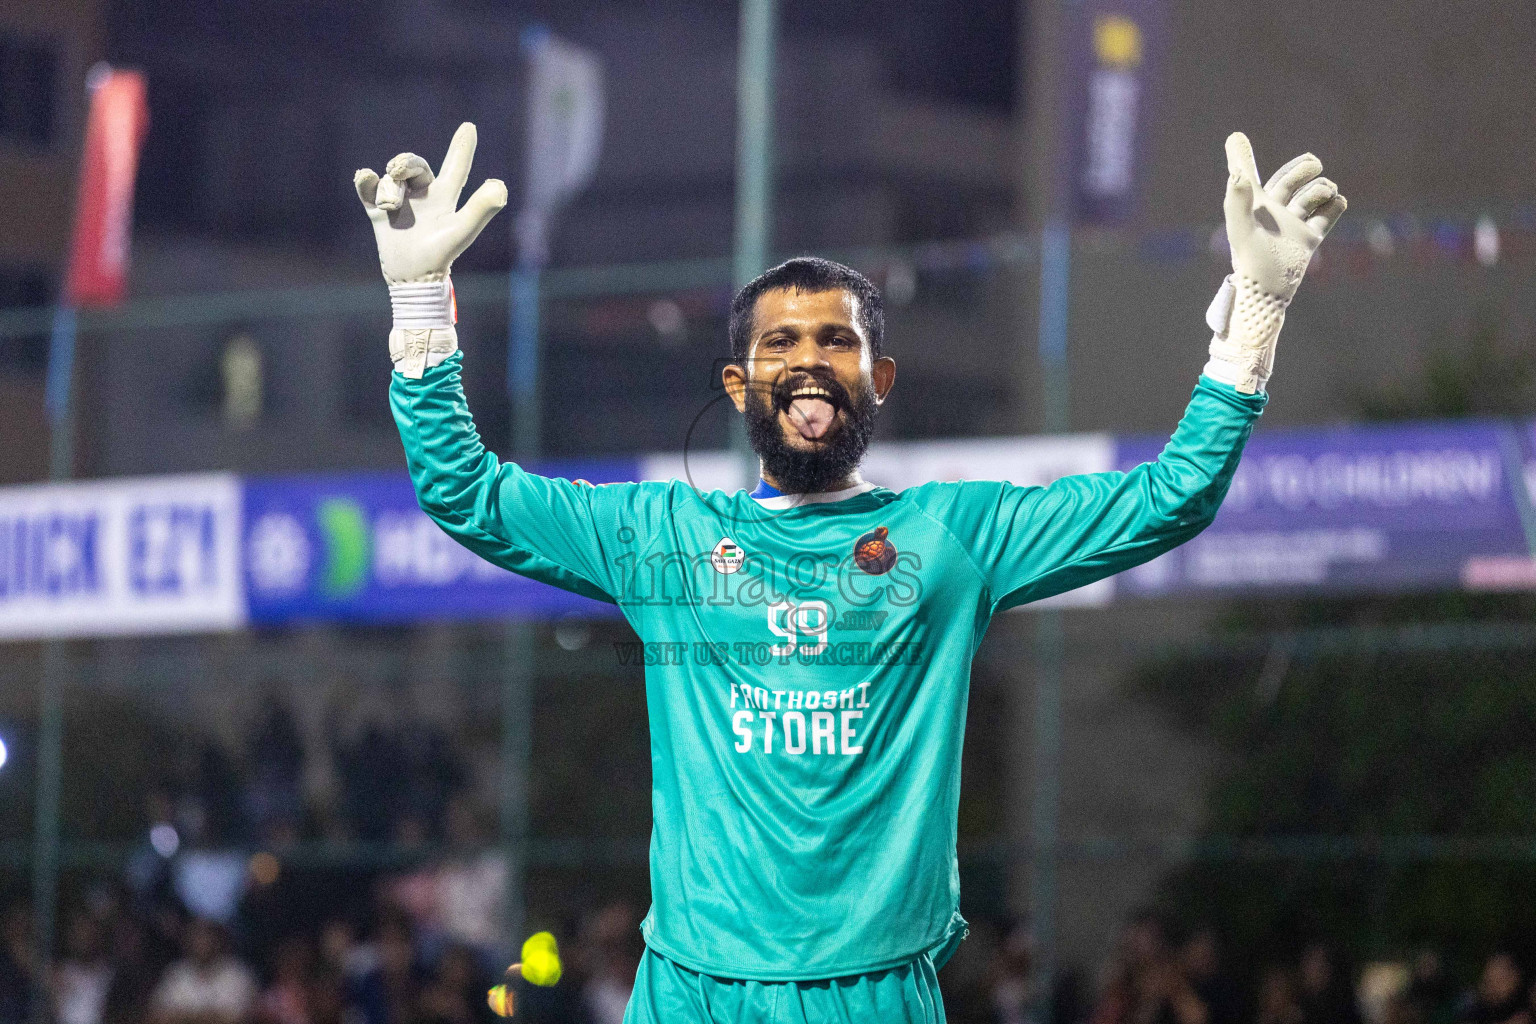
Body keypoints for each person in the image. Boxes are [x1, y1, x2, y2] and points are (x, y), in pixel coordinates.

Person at [354, 122, 1346, 1024]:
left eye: (839, 339)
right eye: (780, 342)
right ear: (741, 385)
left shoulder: (953, 536)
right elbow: (467, 495)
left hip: (872, 992)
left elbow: (1170, 496)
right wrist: (418, 314)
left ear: (881, 378)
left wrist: (1251, 318)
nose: (810, 359)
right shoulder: (660, 537)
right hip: (690, 990)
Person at [149, 918, 258, 1024]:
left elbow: (236, 1018)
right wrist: (211, 1017)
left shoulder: (237, 974)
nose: (202, 943)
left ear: (218, 941)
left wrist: (183, 1016)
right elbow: (160, 1016)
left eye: (207, 937)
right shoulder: (176, 974)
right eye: (197, 937)